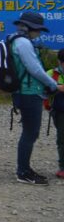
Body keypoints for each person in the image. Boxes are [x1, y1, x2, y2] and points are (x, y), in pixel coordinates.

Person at [9, 12, 64, 185]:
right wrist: (54, 85)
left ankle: (24, 169)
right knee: (30, 133)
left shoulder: (14, 39)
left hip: (23, 91)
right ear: (30, 28)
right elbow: (35, 70)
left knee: (29, 132)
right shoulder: (23, 43)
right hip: (29, 92)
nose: (39, 33)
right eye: (38, 29)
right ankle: (23, 172)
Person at [45, 49, 64, 180]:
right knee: (62, 139)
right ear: (60, 62)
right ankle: (63, 167)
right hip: (59, 112)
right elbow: (43, 90)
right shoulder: (52, 74)